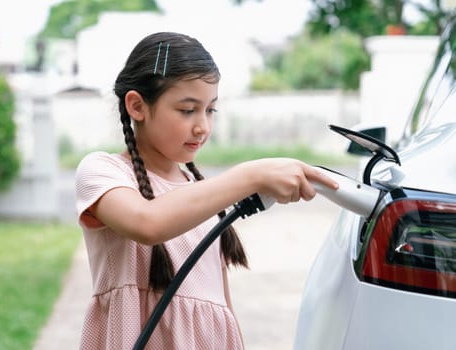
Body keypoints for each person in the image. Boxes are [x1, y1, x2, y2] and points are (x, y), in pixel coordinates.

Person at [75, 31, 338, 350]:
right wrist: (251, 175)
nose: (203, 126)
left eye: (210, 110)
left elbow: (220, 307)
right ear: (137, 106)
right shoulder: (103, 171)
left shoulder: (199, 194)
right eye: (188, 110)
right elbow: (148, 223)